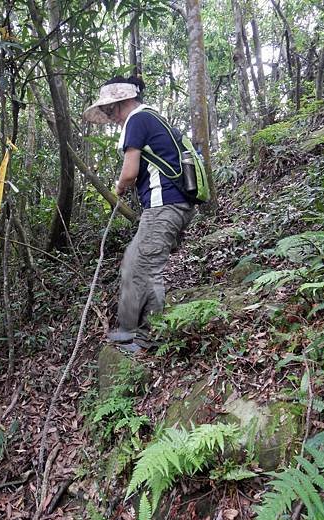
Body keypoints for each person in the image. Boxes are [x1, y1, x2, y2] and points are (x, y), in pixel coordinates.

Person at [84, 75, 195, 352]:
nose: (111, 117)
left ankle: (148, 337)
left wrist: (120, 186)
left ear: (124, 102)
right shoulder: (152, 118)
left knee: (145, 269)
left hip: (163, 205)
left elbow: (130, 172)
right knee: (135, 263)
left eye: (111, 110)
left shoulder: (136, 119)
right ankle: (129, 330)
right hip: (171, 205)